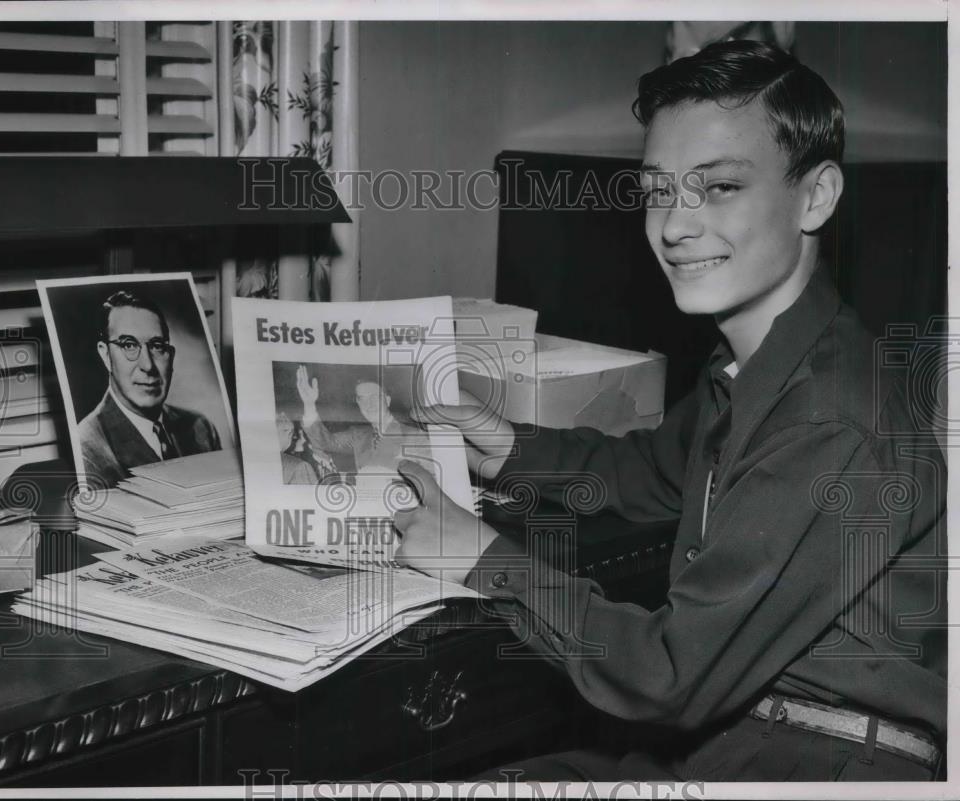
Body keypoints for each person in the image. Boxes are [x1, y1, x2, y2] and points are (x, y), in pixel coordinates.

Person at [393, 40, 945, 781]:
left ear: (816, 196)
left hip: (822, 759)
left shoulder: (828, 419)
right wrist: (508, 448)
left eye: (718, 188)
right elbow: (652, 469)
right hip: (751, 733)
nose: (674, 225)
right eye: (658, 191)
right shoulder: (758, 363)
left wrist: (480, 557)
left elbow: (667, 675)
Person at [78, 290, 221, 488]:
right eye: (129, 345)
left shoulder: (201, 428)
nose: (148, 365)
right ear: (105, 355)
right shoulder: (87, 448)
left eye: (157, 346)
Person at [295, 365, 431, 475]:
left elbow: (433, 481)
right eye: (362, 399)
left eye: (374, 397)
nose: (368, 405)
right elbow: (325, 442)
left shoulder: (414, 436)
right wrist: (309, 404)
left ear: (387, 400)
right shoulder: (357, 435)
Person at [276, 411, 338, 485]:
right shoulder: (301, 466)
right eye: (295, 437)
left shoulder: (331, 461)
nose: (303, 440)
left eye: (304, 435)